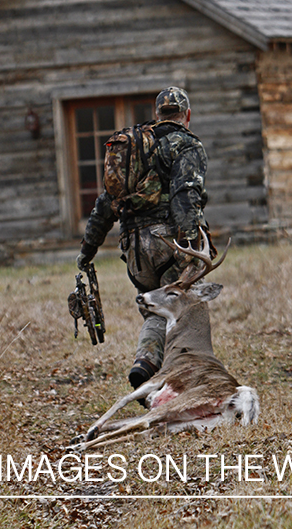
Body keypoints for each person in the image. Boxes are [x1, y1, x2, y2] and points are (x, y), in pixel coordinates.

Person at [77, 86, 210, 390]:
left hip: (135, 248)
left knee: (156, 309)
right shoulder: (187, 145)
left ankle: (145, 364)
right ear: (187, 116)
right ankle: (180, 383)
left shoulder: (136, 147)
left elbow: (104, 205)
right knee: (186, 308)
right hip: (169, 244)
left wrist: (87, 250)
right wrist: (189, 250)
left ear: (156, 115)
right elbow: (184, 197)